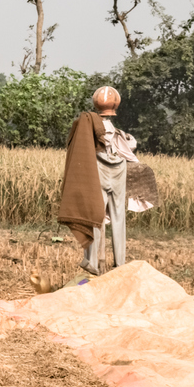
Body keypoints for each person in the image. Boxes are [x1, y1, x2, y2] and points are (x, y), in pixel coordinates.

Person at [59, 86, 139, 275]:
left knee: (94, 216)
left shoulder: (90, 130)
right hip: (118, 174)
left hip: (99, 174)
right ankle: (120, 263)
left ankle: (92, 262)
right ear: (115, 106)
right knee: (119, 217)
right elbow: (131, 146)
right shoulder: (118, 133)